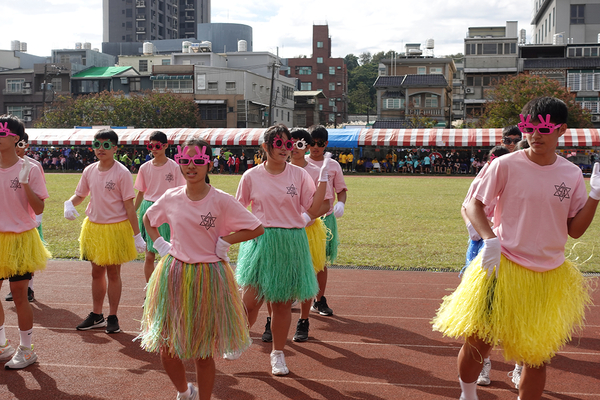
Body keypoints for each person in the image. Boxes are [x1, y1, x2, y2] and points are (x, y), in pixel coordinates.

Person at [433, 97, 599, 400]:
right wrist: (490, 239)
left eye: (544, 129)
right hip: (502, 266)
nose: (535, 135)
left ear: (561, 130)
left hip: (547, 274)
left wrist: (596, 196)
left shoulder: (572, 174)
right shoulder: (505, 164)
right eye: (529, 128)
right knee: (479, 341)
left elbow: (575, 230)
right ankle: (468, 394)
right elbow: (474, 204)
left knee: (536, 355)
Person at [138, 139, 263, 400]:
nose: (190, 166)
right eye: (185, 161)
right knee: (167, 348)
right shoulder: (171, 197)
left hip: (209, 277)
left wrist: (225, 241)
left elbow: (256, 227)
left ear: (208, 163)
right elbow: (148, 219)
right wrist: (160, 244)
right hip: (174, 274)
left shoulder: (221, 201)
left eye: (197, 161)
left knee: (203, 352)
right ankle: (184, 392)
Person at [235, 124, 329, 376]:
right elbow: (237, 208)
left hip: (290, 243)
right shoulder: (251, 176)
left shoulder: (298, 176)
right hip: (260, 242)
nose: (285, 149)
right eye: (279, 144)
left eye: (289, 144)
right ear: (265, 147)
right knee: (250, 302)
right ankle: (239, 336)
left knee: (282, 305)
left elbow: (318, 205)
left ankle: (278, 354)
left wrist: (306, 216)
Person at [64, 129, 146, 334]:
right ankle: (96, 314)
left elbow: (129, 206)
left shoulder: (122, 173)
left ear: (115, 148)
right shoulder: (89, 170)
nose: (101, 149)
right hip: (93, 228)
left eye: (106, 145)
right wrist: (69, 203)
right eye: (97, 144)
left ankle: (113, 316)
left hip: (116, 228)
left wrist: (137, 235)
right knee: (96, 272)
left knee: (114, 273)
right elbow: (80, 195)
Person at [261, 128, 334, 344]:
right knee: (272, 275)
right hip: (278, 233)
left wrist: (306, 217)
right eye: (293, 143)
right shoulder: (278, 168)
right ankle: (270, 319)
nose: (296, 148)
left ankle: (303, 321)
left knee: (306, 274)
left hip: (308, 230)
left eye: (303, 143)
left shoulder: (313, 170)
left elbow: (326, 203)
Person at [0, 115, 51, 369]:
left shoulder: (30, 168)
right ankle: (2, 344)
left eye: (3, 132)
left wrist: (24, 183)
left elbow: (39, 206)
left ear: (16, 138)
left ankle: (27, 349)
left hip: (20, 239)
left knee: (20, 295)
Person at [306, 125, 348, 316]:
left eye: (320, 144)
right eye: (312, 143)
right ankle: (292, 295)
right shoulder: (298, 163)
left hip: (324, 219)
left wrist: (341, 204)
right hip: (301, 219)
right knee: (298, 258)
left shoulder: (333, 165)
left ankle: (319, 299)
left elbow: (341, 190)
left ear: (326, 144)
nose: (315, 147)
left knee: (321, 262)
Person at [134, 131, 186, 283]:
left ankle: (168, 288)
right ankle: (150, 290)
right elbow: (140, 193)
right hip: (148, 210)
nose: (153, 149)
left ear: (165, 146)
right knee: (149, 255)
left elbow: (181, 192)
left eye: (157, 146)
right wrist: (132, 211)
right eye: (150, 146)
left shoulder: (174, 167)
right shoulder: (144, 168)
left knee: (169, 254)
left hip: (168, 210)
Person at [5, 132, 44, 303]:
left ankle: (29, 288)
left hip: (27, 221)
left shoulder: (33, 166)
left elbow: (39, 196)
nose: (18, 148)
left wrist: (38, 217)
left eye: (22, 144)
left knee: (27, 258)